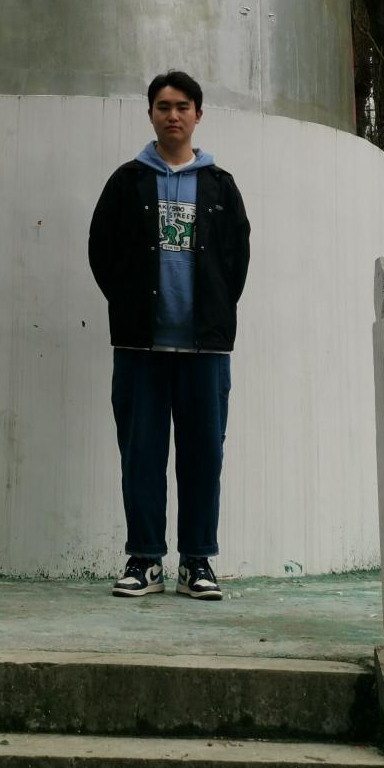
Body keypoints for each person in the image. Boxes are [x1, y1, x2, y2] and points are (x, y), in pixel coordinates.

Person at [88, 70, 250, 601]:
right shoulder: (127, 181)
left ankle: (197, 562)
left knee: (203, 457)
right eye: (163, 106)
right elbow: (101, 251)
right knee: (141, 455)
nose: (173, 115)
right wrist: (129, 305)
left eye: (182, 106)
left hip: (205, 349)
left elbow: (236, 259)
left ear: (198, 115)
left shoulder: (220, 185)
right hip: (141, 347)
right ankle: (145, 560)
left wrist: (214, 310)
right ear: (151, 114)